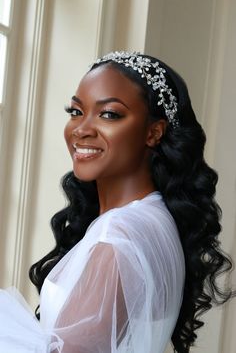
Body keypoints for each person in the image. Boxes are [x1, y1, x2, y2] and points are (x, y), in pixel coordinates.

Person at [0, 51, 235, 353]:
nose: (82, 129)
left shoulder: (119, 235)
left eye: (109, 114)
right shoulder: (154, 220)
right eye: (75, 111)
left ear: (154, 132)